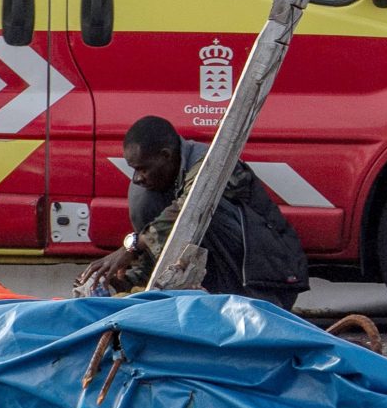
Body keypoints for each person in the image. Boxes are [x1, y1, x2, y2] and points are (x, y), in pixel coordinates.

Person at [73, 116, 310, 305]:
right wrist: (122, 282)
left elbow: (189, 210)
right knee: (145, 200)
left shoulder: (209, 164)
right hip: (213, 287)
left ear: (166, 156)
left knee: (202, 209)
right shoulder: (156, 186)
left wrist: (132, 246)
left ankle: (239, 299)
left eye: (143, 169)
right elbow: (158, 246)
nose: (138, 177)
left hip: (268, 283)